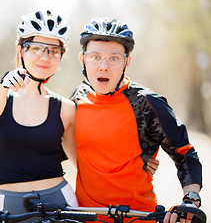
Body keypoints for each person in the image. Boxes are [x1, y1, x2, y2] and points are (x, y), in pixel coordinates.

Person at [70, 17, 203, 223]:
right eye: (95, 56)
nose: (103, 66)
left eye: (114, 58)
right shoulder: (77, 99)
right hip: (85, 217)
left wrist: (190, 200)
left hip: (137, 217)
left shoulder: (148, 103)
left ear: (127, 61)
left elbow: (185, 154)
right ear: (83, 60)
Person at [0, 10, 79, 215]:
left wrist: (139, 161)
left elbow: (83, 163)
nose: (45, 57)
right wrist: (5, 82)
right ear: (21, 50)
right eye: (37, 48)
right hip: (9, 207)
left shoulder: (66, 108)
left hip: (60, 202)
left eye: (54, 51)